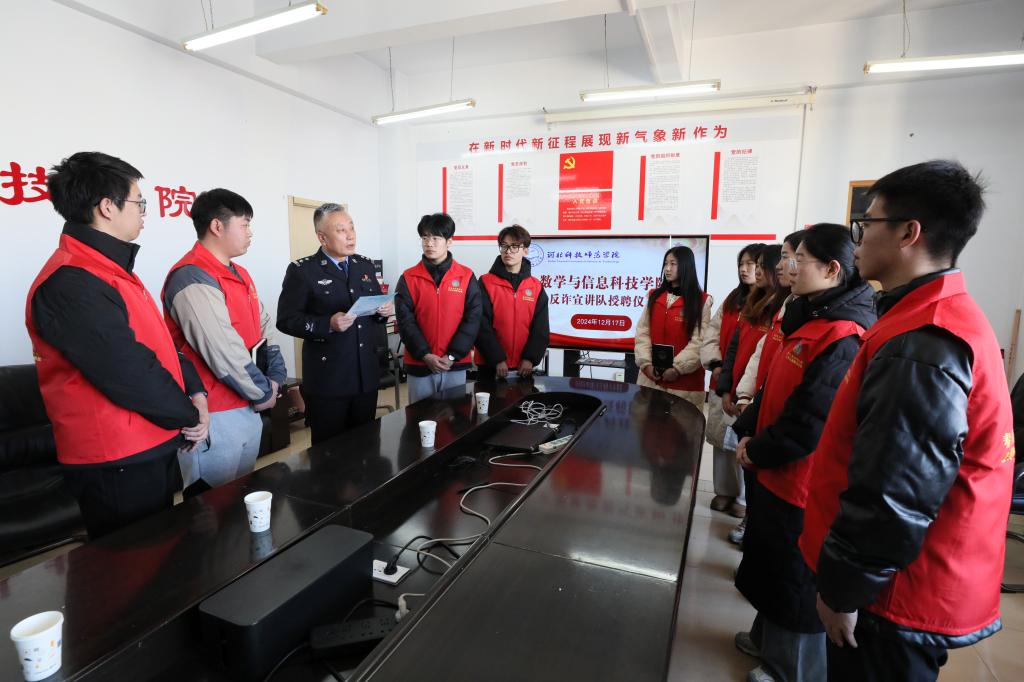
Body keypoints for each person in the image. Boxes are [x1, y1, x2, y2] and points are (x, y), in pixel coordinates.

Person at [800, 161, 1014, 682]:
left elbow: (893, 493)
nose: (857, 239)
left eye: (866, 224)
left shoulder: (923, 341)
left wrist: (844, 591)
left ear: (907, 233)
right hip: (900, 581)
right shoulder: (932, 314)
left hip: (893, 596)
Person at [25, 152, 208, 539]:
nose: (144, 212)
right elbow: (128, 371)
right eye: (139, 202)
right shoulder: (71, 280)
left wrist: (195, 390)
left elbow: (157, 345)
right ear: (107, 207)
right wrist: (189, 416)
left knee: (162, 553)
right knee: (131, 565)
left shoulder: (110, 270)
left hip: (146, 443)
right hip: (116, 458)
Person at [731, 225, 876, 682]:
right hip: (773, 470)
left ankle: (788, 669)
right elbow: (772, 384)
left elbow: (809, 420)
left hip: (800, 481)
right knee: (770, 566)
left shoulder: (843, 335)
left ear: (832, 269)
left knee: (793, 580)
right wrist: (747, 433)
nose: (785, 267)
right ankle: (766, 640)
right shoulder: (807, 316)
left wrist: (758, 450)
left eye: (797, 258)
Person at [163, 188, 287, 492]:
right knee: (213, 506)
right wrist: (263, 391)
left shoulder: (240, 273)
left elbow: (264, 325)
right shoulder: (192, 276)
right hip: (215, 413)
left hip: (247, 404)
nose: (250, 233)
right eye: (244, 225)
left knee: (241, 495)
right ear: (217, 226)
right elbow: (222, 349)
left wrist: (275, 376)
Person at [276, 203, 393, 445]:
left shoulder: (364, 265)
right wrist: (327, 324)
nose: (350, 236)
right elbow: (287, 320)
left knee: (366, 446)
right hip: (329, 380)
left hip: (365, 375)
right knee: (328, 453)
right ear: (322, 237)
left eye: (352, 228)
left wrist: (383, 312)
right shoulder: (303, 270)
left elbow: (372, 310)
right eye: (341, 230)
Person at [729, 231, 807, 545]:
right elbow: (760, 358)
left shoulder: (827, 325)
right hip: (757, 407)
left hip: (780, 429)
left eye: (790, 257)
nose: (776, 267)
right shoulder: (782, 307)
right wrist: (744, 396)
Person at [701, 243, 763, 515]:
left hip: (749, 388)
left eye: (751, 264)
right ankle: (724, 491)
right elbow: (711, 334)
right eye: (742, 263)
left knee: (742, 440)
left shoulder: (770, 303)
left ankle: (743, 499)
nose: (744, 269)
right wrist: (715, 364)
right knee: (721, 441)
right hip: (722, 381)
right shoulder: (732, 300)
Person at [395, 213, 482, 404]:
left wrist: (452, 356)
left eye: (436, 238)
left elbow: (473, 319)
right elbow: (405, 321)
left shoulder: (466, 276)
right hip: (420, 364)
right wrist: (425, 355)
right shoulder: (409, 278)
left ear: (449, 241)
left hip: (454, 364)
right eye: (425, 238)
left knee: (455, 417)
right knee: (419, 417)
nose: (429, 243)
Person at [634, 245, 713, 409]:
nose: (667, 268)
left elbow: (699, 342)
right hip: (650, 380)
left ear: (685, 266)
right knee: (646, 424)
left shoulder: (701, 301)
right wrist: (646, 364)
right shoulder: (654, 296)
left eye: (673, 264)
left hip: (684, 386)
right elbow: (642, 333)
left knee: (680, 425)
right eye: (665, 263)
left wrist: (677, 368)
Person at [475, 224, 549, 382]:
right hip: (490, 366)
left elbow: (541, 328)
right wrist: (497, 359)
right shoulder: (485, 282)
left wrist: (530, 359)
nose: (508, 251)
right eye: (504, 246)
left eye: (514, 247)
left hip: (524, 367)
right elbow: (481, 325)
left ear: (525, 250)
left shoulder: (535, 287)